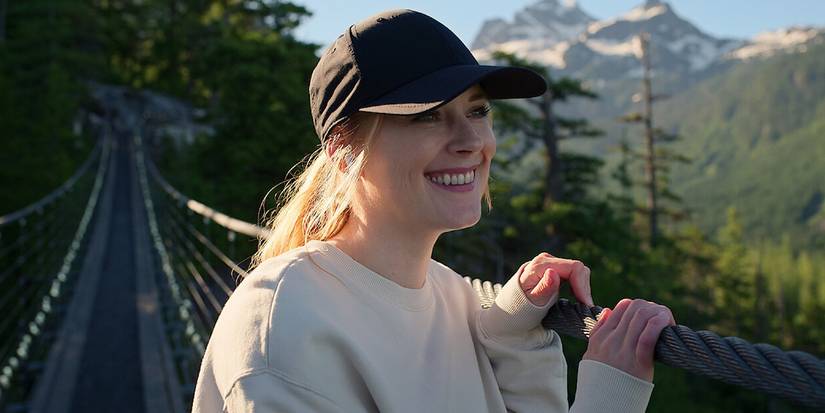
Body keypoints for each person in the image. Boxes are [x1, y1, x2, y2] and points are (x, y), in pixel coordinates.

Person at [191, 8, 676, 413]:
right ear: (342, 149)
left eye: (477, 111)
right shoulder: (284, 328)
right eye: (427, 116)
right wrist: (609, 400)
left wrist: (513, 338)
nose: (470, 141)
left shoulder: (455, 298)